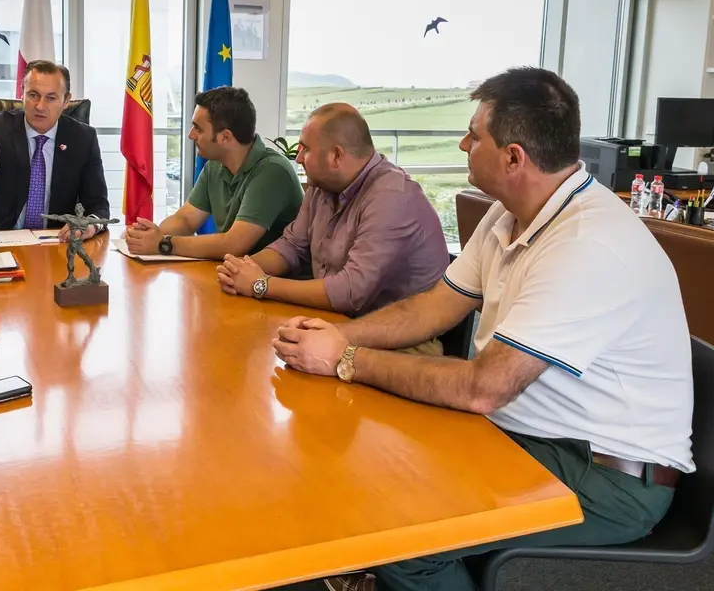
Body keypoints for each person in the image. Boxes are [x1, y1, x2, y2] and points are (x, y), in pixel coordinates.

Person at [271, 67, 694, 591]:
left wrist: (344, 360)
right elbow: (432, 309)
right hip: (529, 435)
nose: (463, 142)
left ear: (514, 157)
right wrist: (339, 338)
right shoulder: (507, 215)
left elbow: (483, 388)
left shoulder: (588, 244)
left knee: (404, 536)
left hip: (606, 478)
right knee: (375, 458)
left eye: (475, 135)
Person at [217, 103, 448, 318]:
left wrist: (261, 284)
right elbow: (291, 246)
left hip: (398, 336)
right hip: (337, 320)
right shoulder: (322, 185)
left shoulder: (393, 197)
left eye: (305, 149)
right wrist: (239, 271)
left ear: (336, 156)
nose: (298, 158)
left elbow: (350, 291)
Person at [125, 86, 303, 259]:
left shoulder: (272, 172)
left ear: (225, 137)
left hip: (275, 282)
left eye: (198, 129)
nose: (191, 135)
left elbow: (235, 244)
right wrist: (150, 236)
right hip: (238, 276)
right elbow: (186, 219)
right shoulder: (214, 166)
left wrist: (164, 243)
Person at [0, 60, 110, 239]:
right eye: (33, 95)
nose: (40, 106)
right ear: (22, 94)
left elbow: (98, 205)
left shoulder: (83, 138)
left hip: (56, 241)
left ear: (66, 101)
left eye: (51, 98)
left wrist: (89, 224)